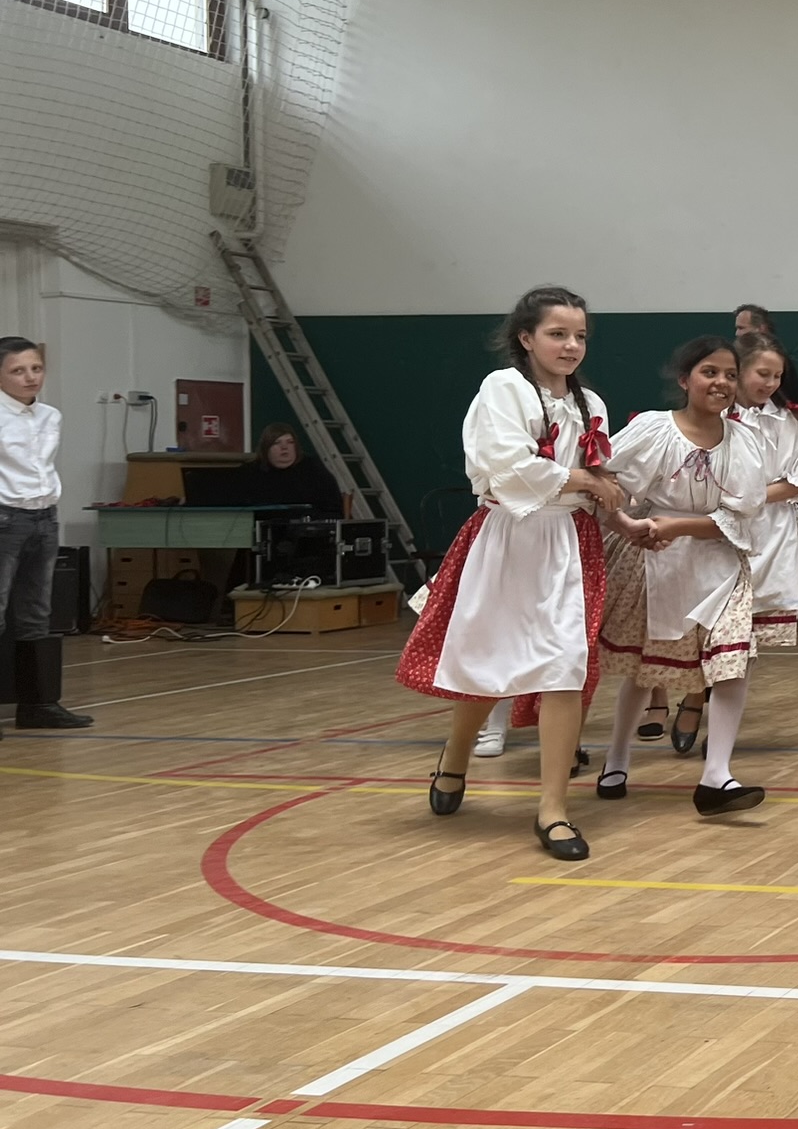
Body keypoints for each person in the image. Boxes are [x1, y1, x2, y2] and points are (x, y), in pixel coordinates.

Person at [397, 287, 623, 861]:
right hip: (508, 537)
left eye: (580, 336)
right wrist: (584, 480)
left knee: (566, 667)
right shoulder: (503, 388)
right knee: (488, 660)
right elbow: (507, 466)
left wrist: (616, 505)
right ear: (526, 337)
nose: (571, 346)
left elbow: (597, 474)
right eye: (557, 334)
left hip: (568, 541)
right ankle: (456, 755)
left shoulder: (589, 401)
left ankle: (554, 809)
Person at [593, 337, 770, 815]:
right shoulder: (654, 429)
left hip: (719, 560)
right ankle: (618, 755)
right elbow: (604, 481)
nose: (722, 382)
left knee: (733, 662)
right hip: (656, 559)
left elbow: (742, 516)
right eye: (710, 372)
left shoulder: (745, 442)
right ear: (684, 379)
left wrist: (678, 525)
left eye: (730, 375)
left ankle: (716, 775)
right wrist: (632, 523)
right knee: (644, 668)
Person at [0, 338, 91, 731]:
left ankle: (38, 704)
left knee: (36, 613)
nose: (30, 377)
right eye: (17, 371)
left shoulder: (50, 416)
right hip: (5, 517)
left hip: (43, 517)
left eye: (35, 368)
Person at [733, 332, 798, 651]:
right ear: (739, 370)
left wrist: (748, 496)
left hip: (773, 533)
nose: (771, 383)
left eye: (777, 376)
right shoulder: (717, 418)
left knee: (750, 639)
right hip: (720, 528)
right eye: (763, 374)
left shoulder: (786, 422)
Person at [248, 423, 345, 518]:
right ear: (266, 448)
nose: (284, 447)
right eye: (277, 442)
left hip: (310, 525)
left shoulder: (313, 468)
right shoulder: (252, 471)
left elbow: (333, 509)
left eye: (290, 442)